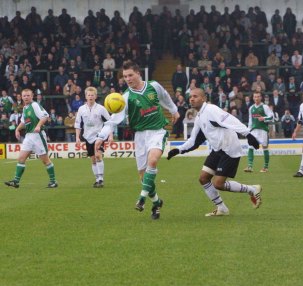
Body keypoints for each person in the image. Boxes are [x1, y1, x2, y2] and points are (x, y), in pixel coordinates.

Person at [95, 61, 180, 219]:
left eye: (130, 75)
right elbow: (114, 120)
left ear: (138, 73)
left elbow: (165, 97)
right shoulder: (125, 97)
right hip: (140, 136)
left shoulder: (153, 86)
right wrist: (101, 136)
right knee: (143, 176)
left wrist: (174, 110)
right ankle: (156, 202)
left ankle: (141, 198)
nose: (127, 79)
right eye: (125, 76)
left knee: (152, 161)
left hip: (157, 131)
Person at [167, 88, 262, 217]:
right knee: (203, 178)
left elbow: (230, 120)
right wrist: (178, 150)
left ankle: (252, 189)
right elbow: (194, 140)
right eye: (190, 96)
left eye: (195, 96)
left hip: (229, 149)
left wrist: (248, 134)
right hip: (217, 150)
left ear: (203, 98)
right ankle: (221, 208)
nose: (192, 99)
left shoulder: (211, 110)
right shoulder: (199, 117)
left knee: (218, 184)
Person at [4, 89, 57, 188]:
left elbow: (45, 116)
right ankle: (16, 181)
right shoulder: (25, 108)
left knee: (45, 160)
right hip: (29, 136)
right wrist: (17, 129)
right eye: (24, 96)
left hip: (38, 136)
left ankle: (53, 181)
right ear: (21, 97)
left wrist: (38, 126)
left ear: (32, 96)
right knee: (21, 158)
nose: (26, 97)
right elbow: (24, 122)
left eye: (28, 95)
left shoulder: (35, 105)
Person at [75, 87, 111, 188]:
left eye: (92, 95)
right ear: (86, 96)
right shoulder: (81, 109)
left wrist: (110, 135)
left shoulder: (101, 108)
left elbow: (109, 122)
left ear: (95, 96)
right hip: (87, 137)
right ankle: (97, 179)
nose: (90, 96)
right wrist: (77, 137)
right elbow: (78, 124)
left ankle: (101, 179)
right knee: (93, 159)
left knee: (98, 155)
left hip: (99, 136)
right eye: (88, 95)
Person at [244, 91, 274, 173]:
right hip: (254, 131)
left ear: (261, 97)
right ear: (253, 98)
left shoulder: (265, 107)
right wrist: (248, 131)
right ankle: (250, 166)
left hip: (263, 130)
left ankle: (266, 167)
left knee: (264, 147)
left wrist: (264, 118)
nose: (256, 98)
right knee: (250, 146)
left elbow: (271, 117)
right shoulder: (251, 108)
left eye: (258, 97)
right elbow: (250, 121)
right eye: (255, 97)